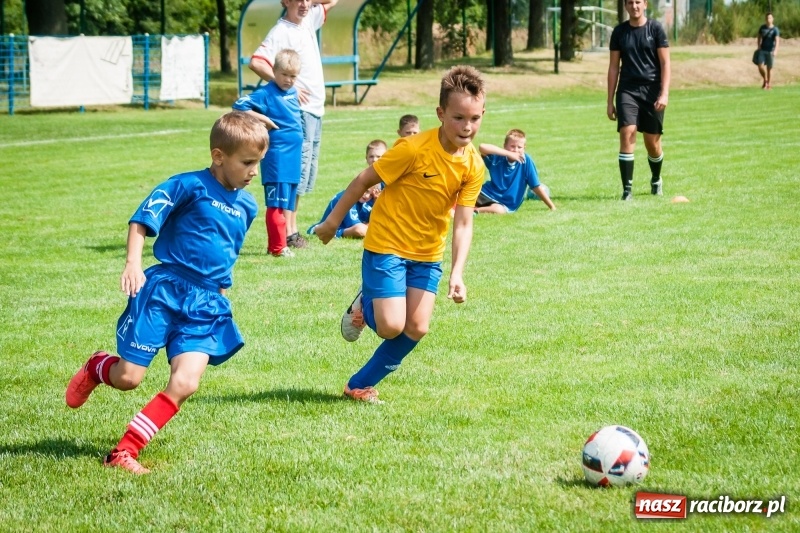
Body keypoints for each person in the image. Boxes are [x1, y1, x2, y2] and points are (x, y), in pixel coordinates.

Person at [65, 112, 268, 474]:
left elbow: (226, 251)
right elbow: (141, 220)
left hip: (206, 304)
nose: (254, 171)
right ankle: (98, 366)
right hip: (164, 291)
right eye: (247, 162)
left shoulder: (248, 206)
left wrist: (221, 291)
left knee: (186, 382)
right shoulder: (188, 186)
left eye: (258, 163)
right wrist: (132, 263)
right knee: (129, 378)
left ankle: (124, 451)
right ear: (219, 156)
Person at [314, 65, 486, 404]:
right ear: (440, 113)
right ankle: (367, 300)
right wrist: (333, 222)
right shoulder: (412, 149)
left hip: (427, 253)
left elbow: (464, 222)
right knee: (392, 326)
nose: (467, 127)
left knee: (417, 328)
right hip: (387, 245)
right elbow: (364, 181)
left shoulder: (474, 166)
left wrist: (457, 273)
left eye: (475, 118)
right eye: (458, 118)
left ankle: (358, 385)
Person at [249, 0, 339, 249]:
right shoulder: (281, 31)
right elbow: (256, 61)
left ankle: (292, 229)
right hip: (298, 112)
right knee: (296, 171)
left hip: (315, 110)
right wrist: (287, 89)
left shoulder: (309, 18)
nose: (303, 4)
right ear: (285, 1)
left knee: (306, 172)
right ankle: (289, 232)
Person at [233, 49, 303, 258]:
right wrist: (265, 121)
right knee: (276, 204)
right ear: (274, 71)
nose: (288, 80)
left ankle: (282, 244)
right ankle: (277, 247)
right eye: (284, 75)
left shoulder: (293, 92)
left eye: (293, 76)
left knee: (288, 203)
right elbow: (239, 106)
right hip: (278, 156)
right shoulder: (266, 93)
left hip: (294, 155)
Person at [607, 0, 670, 201]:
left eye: (638, 2)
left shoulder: (656, 29)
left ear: (645, 4)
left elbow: (665, 62)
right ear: (625, 6)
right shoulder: (619, 32)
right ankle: (627, 190)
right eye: (630, 2)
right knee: (627, 132)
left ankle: (656, 179)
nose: (634, 6)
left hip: (652, 91)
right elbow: (614, 67)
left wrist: (664, 93)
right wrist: (609, 100)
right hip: (627, 90)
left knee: (652, 143)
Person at [307, 140, 387, 239]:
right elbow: (359, 229)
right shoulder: (356, 189)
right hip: (340, 226)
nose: (375, 160)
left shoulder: (384, 186)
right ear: (366, 158)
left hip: (362, 224)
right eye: (371, 156)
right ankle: (336, 232)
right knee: (362, 230)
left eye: (379, 157)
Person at [474, 129, 556, 214]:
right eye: (512, 146)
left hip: (505, 203)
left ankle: (474, 210)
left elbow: (535, 187)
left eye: (519, 147)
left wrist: (552, 206)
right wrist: (508, 154)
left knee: (499, 210)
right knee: (464, 197)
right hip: (486, 192)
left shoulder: (526, 161)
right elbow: (482, 147)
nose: (516, 150)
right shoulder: (499, 157)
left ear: (524, 148)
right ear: (505, 146)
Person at [756, 12, 780, 90]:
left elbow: (777, 41)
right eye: (767, 18)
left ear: (772, 19)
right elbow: (759, 37)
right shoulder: (762, 28)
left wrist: (776, 50)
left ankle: (768, 84)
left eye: (770, 18)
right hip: (762, 50)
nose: (768, 19)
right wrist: (759, 46)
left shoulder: (775, 29)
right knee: (760, 66)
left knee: (769, 68)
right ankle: (765, 79)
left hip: (770, 51)